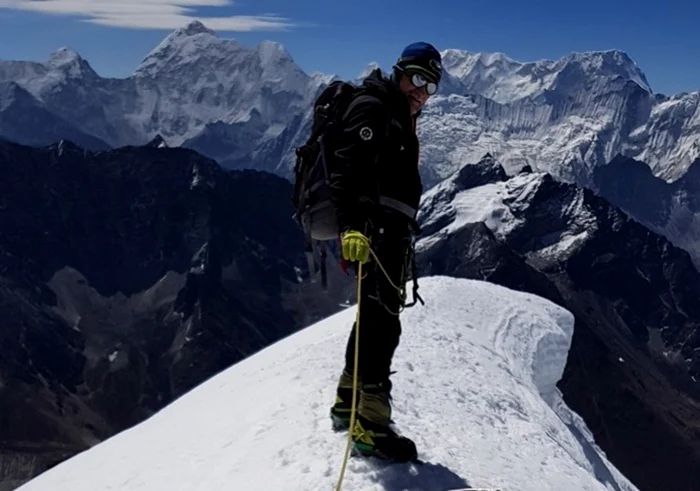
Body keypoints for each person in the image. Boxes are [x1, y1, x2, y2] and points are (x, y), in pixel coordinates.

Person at [327, 41, 442, 462]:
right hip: (374, 236)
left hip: (386, 235)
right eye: (417, 79)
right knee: (382, 325)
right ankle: (371, 426)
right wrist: (352, 228)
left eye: (430, 86)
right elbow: (347, 168)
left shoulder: (395, 111)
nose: (421, 91)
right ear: (399, 73)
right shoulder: (375, 108)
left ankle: (347, 402)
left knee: (372, 318)